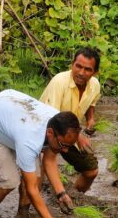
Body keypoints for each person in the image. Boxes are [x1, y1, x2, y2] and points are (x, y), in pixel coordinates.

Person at [0, 90, 79, 218]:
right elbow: (31, 188)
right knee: (9, 181)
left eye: (68, 146)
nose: (64, 151)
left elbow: (50, 159)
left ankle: (23, 215)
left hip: (14, 120)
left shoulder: (58, 123)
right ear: (50, 133)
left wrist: (61, 193)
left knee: (37, 179)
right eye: (63, 145)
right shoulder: (30, 140)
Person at [39, 47, 101, 192]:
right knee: (37, 178)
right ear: (72, 64)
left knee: (91, 170)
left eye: (87, 69)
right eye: (78, 66)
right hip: (45, 131)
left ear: (95, 72)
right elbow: (52, 117)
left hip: (69, 134)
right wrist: (79, 136)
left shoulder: (95, 85)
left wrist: (90, 118)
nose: (81, 72)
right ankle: (27, 209)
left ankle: (74, 198)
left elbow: (92, 103)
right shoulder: (59, 82)